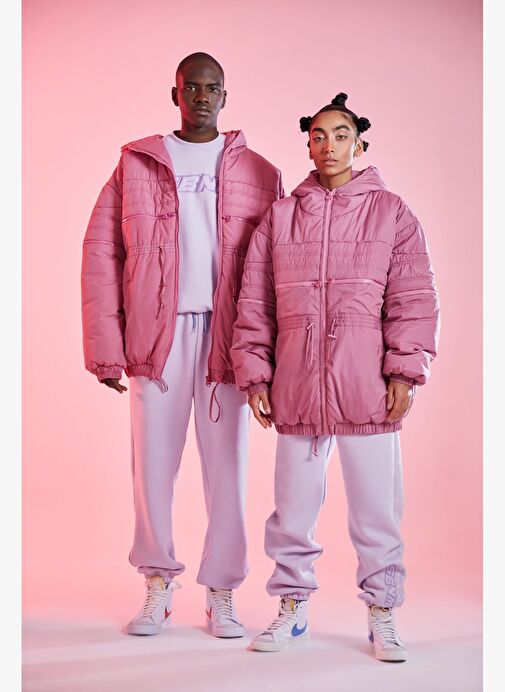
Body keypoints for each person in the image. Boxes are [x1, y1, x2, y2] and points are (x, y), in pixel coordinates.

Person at [231, 93, 440, 661]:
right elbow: (255, 303)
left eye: (341, 135)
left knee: (376, 512)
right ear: (308, 145)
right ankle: (292, 606)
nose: (329, 146)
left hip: (366, 386)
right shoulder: (280, 218)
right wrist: (256, 375)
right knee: (291, 511)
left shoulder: (391, 213)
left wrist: (404, 370)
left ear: (360, 144)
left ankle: (382, 612)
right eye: (318, 136)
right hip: (297, 386)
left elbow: (413, 297)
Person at [81, 52, 283, 637]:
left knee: (229, 470)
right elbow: (101, 253)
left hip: (229, 339)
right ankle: (158, 584)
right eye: (191, 87)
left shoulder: (261, 174)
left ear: (225, 96)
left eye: (211, 88)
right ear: (175, 94)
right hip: (157, 338)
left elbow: (279, 266)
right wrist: (106, 347)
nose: (201, 96)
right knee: (152, 467)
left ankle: (222, 591)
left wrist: (272, 354)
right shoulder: (136, 165)